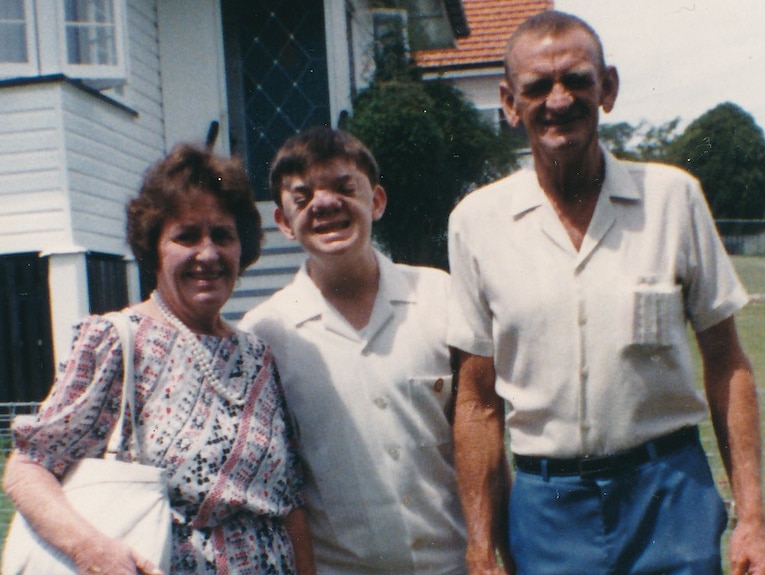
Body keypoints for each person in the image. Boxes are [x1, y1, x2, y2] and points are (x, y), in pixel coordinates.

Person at [446, 10, 765, 575]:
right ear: (508, 101)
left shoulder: (673, 198)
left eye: (576, 80)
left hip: (668, 495)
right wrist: (479, 547)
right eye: (537, 86)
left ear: (608, 88)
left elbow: (727, 364)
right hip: (547, 510)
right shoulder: (477, 222)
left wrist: (752, 520)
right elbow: (476, 402)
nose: (558, 99)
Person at [3, 144, 315, 575]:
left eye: (222, 235)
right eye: (186, 236)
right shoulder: (116, 341)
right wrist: (90, 549)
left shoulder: (258, 356)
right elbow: (28, 467)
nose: (207, 254)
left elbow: (290, 502)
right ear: (154, 247)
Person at [239, 126, 467, 575]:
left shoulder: (441, 297)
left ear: (376, 201)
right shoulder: (265, 335)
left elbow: (482, 435)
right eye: (303, 198)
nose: (325, 204)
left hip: (453, 566)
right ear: (283, 222)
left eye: (345, 188)